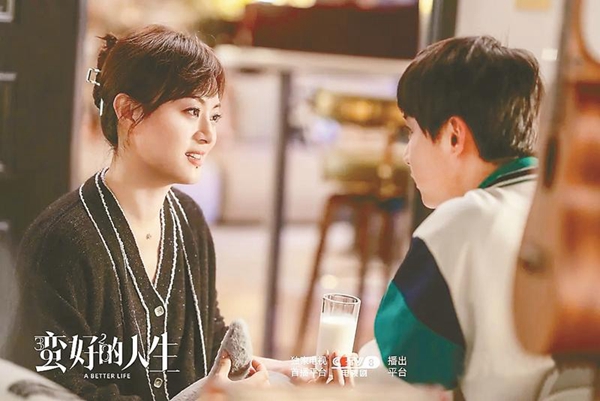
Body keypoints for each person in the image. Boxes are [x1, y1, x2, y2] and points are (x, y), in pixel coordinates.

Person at [6, 25, 273, 401]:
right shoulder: (63, 241)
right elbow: (52, 391)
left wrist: (284, 372)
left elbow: (207, 342)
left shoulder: (189, 220)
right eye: (191, 111)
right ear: (129, 111)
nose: (207, 134)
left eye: (213, 116)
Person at [372, 36, 555, 400]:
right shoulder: (564, 210)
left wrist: (324, 371)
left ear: (454, 136)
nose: (407, 154)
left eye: (411, 131)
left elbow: (403, 372)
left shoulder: (463, 222)